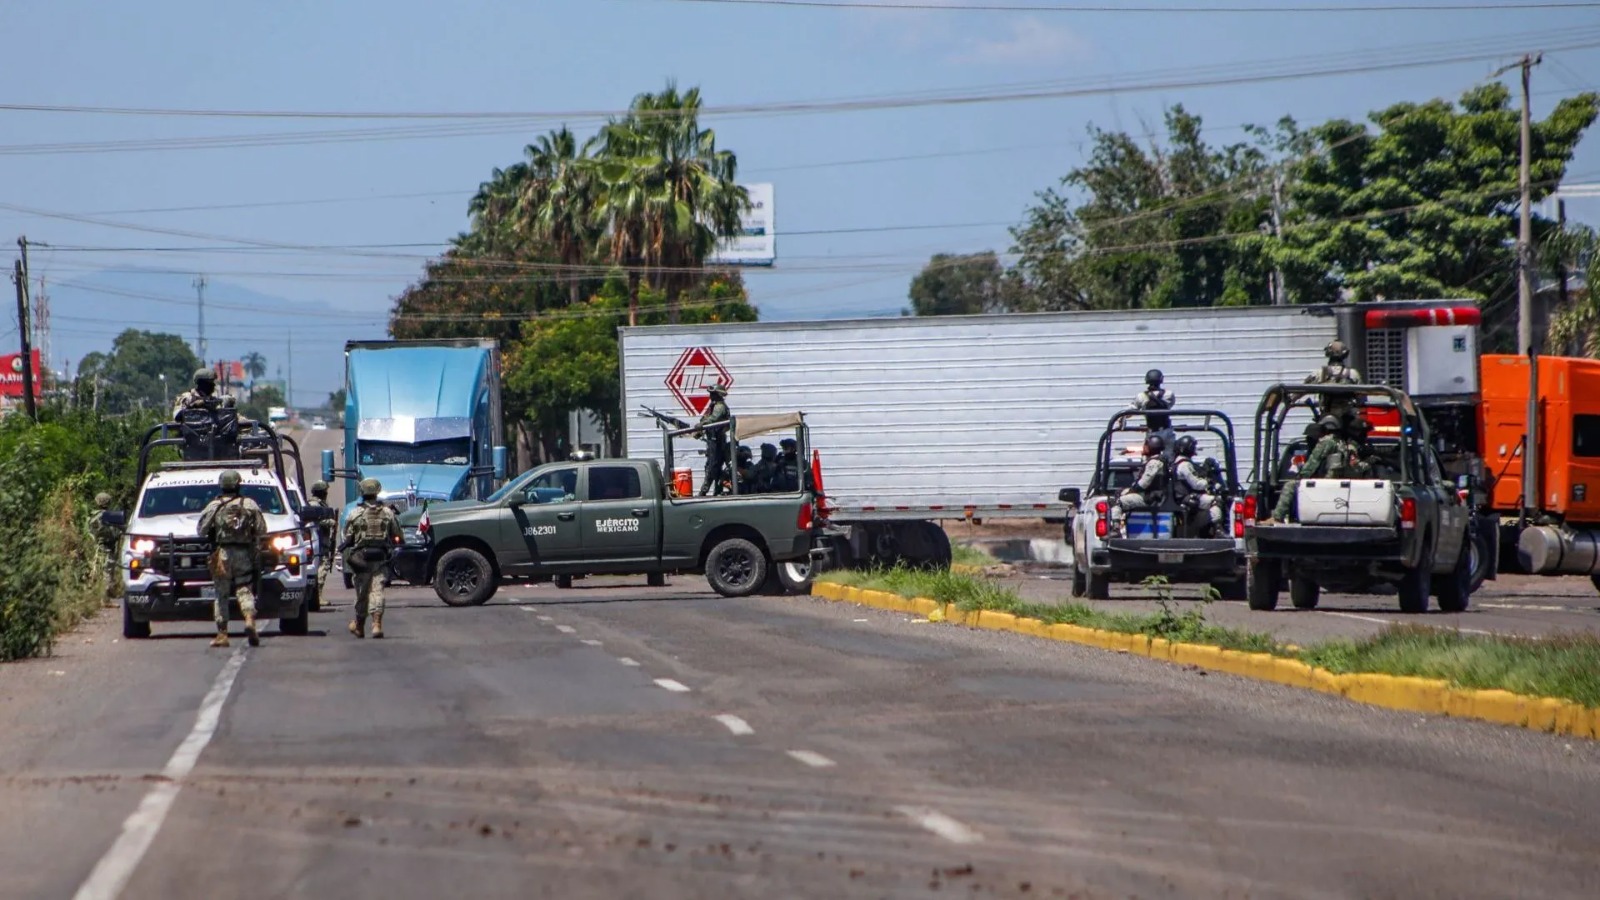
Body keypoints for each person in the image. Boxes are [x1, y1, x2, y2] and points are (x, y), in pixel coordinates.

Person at [198, 470, 266, 648]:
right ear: (238, 484)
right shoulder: (249, 504)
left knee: (221, 593)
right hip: (244, 553)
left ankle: (222, 634)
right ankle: (250, 619)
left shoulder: (214, 506)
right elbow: (262, 529)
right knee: (245, 588)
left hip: (223, 554)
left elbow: (201, 530)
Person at [341, 478, 401, 639]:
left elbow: (346, 536)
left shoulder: (355, 513)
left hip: (361, 558)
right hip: (380, 557)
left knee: (362, 592)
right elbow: (397, 535)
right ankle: (376, 624)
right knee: (377, 590)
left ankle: (359, 625)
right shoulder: (388, 513)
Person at [1263, 415, 1351, 524]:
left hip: (1323, 483)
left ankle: (1277, 517)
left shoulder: (1326, 442)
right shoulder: (1342, 443)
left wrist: (1301, 477)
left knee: (1290, 486)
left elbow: (1312, 463)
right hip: (1338, 483)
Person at [1172, 435, 1221, 534]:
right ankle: (1217, 530)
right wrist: (1209, 483)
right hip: (1185, 497)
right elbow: (1196, 484)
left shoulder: (1178, 462)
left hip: (1182, 496)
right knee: (1215, 501)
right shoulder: (1185, 465)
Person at [694, 383, 731, 497]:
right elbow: (707, 418)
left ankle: (704, 492)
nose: (710, 396)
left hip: (717, 441)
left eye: (713, 394)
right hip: (713, 441)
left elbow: (713, 419)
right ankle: (717, 490)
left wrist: (701, 425)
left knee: (712, 468)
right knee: (714, 468)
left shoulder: (720, 406)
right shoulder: (714, 405)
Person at [1118, 434, 1168, 513]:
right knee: (1119, 493)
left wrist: (1132, 490)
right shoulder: (1153, 460)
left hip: (1150, 498)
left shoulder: (1154, 462)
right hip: (1148, 495)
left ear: (1151, 447)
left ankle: (1115, 524)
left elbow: (1143, 483)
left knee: (1116, 502)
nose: (1144, 447)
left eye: (1146, 445)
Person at [87, 492, 123, 601]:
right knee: (107, 571)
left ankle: (94, 594)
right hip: (109, 546)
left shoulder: (93, 515)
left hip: (97, 546)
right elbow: (118, 530)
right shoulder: (110, 516)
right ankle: (105, 598)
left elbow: (90, 531)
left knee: (96, 570)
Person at [308, 481, 339, 606]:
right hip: (317, 541)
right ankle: (318, 596)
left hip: (323, 540)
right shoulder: (314, 504)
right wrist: (329, 522)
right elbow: (314, 521)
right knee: (322, 568)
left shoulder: (320, 504)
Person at [171, 367, 236, 419]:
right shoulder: (187, 397)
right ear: (201, 383)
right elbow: (177, 416)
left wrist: (227, 402)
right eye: (210, 382)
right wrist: (193, 406)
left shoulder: (212, 400)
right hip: (190, 433)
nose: (213, 385)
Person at [1131, 369, 1176, 434]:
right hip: (1166, 431)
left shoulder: (1141, 396)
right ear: (1161, 379)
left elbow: (1131, 410)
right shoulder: (1169, 394)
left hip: (1151, 432)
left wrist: (1121, 419)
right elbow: (1171, 404)